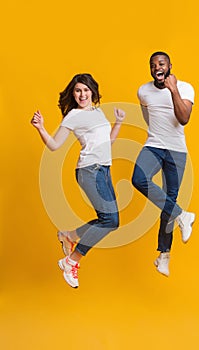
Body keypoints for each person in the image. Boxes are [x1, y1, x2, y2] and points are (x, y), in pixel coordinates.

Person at [31, 73, 125, 288]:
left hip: (104, 170)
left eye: (85, 90)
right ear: (73, 94)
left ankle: (68, 235)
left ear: (92, 91)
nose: (82, 94)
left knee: (111, 221)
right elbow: (54, 145)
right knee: (109, 220)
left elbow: (107, 142)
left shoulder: (98, 112)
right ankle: (71, 261)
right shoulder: (73, 115)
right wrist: (41, 128)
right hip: (89, 170)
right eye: (78, 91)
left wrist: (118, 123)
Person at [132, 51, 195, 277]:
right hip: (154, 145)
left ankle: (164, 256)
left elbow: (184, 118)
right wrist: (156, 134)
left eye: (161, 63)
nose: (157, 67)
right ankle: (183, 215)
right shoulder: (143, 90)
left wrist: (173, 89)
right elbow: (147, 116)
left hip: (177, 151)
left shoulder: (185, 88)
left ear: (169, 66)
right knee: (138, 179)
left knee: (169, 201)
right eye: (152, 64)